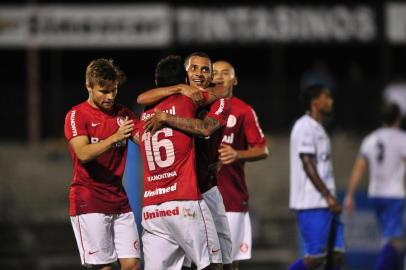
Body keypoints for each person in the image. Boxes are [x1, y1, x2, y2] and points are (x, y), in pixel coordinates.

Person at [138, 52, 233, 269]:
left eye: (205, 69)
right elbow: (142, 98)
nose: (199, 73)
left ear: (211, 76)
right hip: (186, 193)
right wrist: (180, 88)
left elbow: (207, 124)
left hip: (205, 189)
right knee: (205, 263)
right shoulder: (179, 100)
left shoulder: (218, 103)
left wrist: (166, 117)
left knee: (225, 262)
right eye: (194, 68)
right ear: (185, 73)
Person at [63, 58, 141, 270]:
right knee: (103, 267)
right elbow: (83, 153)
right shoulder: (76, 115)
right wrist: (115, 138)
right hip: (89, 199)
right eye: (103, 91)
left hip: (118, 198)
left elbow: (143, 138)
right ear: (88, 86)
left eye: (114, 90)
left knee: (132, 265)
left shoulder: (123, 114)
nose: (110, 97)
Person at [212, 60, 269, 270]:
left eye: (225, 73)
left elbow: (262, 149)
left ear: (234, 79)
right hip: (200, 199)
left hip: (231, 199)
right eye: (215, 72)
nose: (219, 76)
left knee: (229, 263)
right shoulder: (199, 109)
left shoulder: (243, 111)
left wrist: (237, 154)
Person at [344, 102, 406, 270]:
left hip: (375, 194)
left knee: (392, 240)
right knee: (393, 239)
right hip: (394, 195)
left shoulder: (370, 139)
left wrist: (350, 195)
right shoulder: (402, 139)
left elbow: (359, 169)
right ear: (398, 117)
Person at [288, 84, 344, 270]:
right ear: (314, 102)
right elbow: (307, 164)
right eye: (326, 96)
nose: (331, 101)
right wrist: (327, 195)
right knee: (316, 257)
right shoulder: (304, 126)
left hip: (326, 202)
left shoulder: (319, 128)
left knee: (336, 255)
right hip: (312, 202)